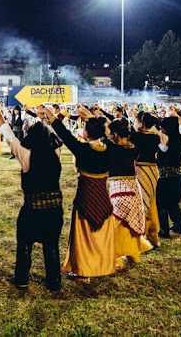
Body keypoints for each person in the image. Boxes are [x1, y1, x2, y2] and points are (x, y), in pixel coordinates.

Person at [41, 106, 116, 280]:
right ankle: (101, 264)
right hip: (103, 197)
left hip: (86, 197)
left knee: (83, 236)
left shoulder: (82, 150)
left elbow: (64, 133)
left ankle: (83, 269)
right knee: (100, 233)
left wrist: (49, 113)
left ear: (87, 132)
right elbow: (109, 132)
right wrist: (92, 117)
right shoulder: (109, 148)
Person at [0, 109, 63, 291]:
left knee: (24, 243)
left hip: (32, 210)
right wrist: (46, 119)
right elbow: (55, 136)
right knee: (52, 246)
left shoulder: (26, 155)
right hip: (54, 210)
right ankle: (54, 281)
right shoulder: (56, 155)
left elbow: (11, 138)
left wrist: (0, 118)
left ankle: (22, 278)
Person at [106, 118, 153, 268]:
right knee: (132, 223)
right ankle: (133, 254)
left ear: (113, 134)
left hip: (118, 189)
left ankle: (116, 259)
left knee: (116, 225)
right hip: (133, 188)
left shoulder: (111, 149)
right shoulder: (133, 149)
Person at [131, 112, 161, 247]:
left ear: (141, 125)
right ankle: (152, 234)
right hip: (153, 171)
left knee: (141, 203)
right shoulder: (155, 137)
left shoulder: (136, 137)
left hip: (141, 171)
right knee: (151, 202)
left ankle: (142, 235)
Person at [156, 117, 181, 238]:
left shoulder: (170, 142)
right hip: (177, 176)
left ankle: (164, 230)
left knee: (162, 204)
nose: (161, 130)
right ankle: (179, 225)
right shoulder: (178, 141)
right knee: (173, 203)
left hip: (167, 177)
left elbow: (164, 154)